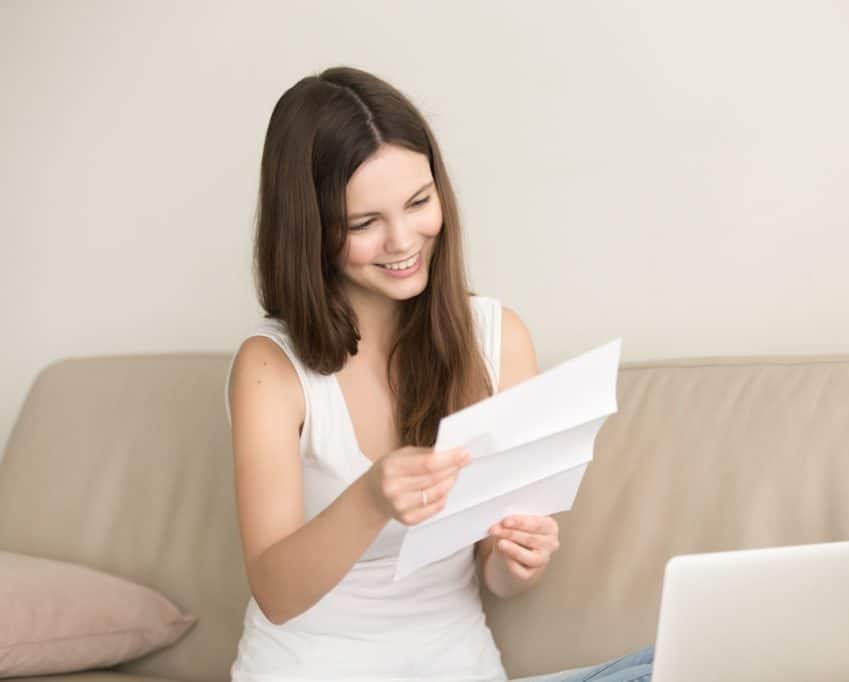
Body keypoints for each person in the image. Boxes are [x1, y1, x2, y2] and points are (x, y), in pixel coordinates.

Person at [224, 65, 654, 682]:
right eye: (365, 223)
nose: (404, 240)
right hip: (311, 668)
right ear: (311, 232)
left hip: (457, 668)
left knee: (672, 667)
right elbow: (277, 592)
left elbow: (496, 574)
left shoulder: (497, 338)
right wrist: (372, 497)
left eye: (420, 203)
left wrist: (515, 561)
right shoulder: (271, 368)